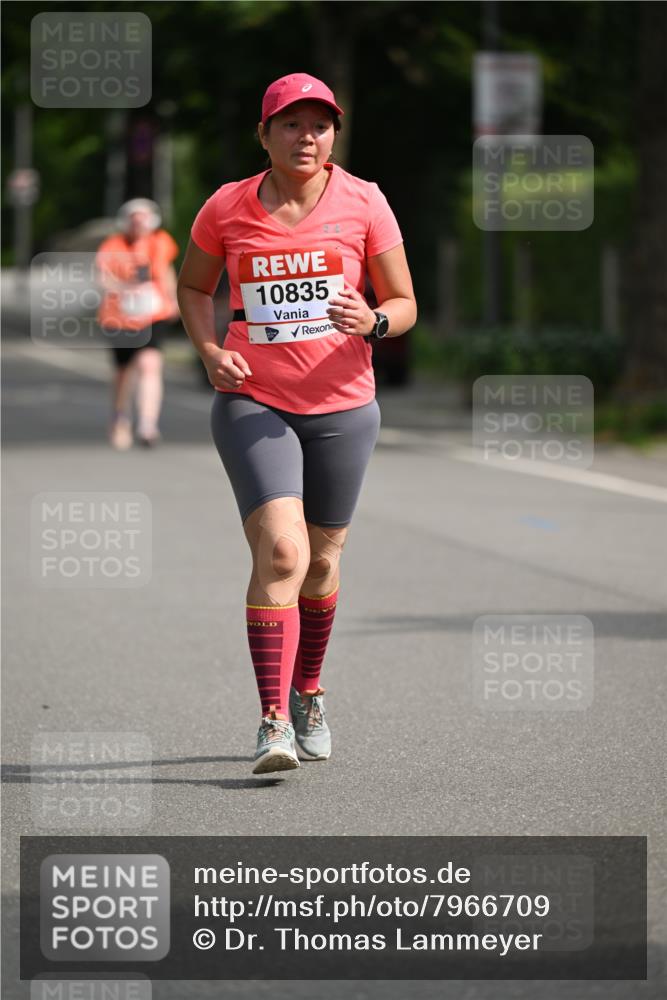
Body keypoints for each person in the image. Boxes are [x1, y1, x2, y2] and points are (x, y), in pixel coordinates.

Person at [177, 73, 416, 774]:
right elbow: (194, 287)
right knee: (281, 553)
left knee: (320, 561)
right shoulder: (226, 206)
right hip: (257, 399)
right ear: (265, 134)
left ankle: (308, 689)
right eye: (290, 124)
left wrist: (372, 320)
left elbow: (402, 301)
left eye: (318, 125)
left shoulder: (365, 201)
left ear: (333, 135)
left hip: (344, 404)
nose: (305, 137)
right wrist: (211, 350)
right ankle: (272, 720)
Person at [96, 199, 179, 449]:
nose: (139, 222)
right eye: (134, 218)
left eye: (144, 217)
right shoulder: (113, 245)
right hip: (120, 317)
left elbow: (166, 271)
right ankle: (120, 419)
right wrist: (126, 289)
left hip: (152, 314)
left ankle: (147, 424)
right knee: (124, 373)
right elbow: (103, 279)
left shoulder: (160, 242)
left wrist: (173, 299)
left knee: (150, 364)